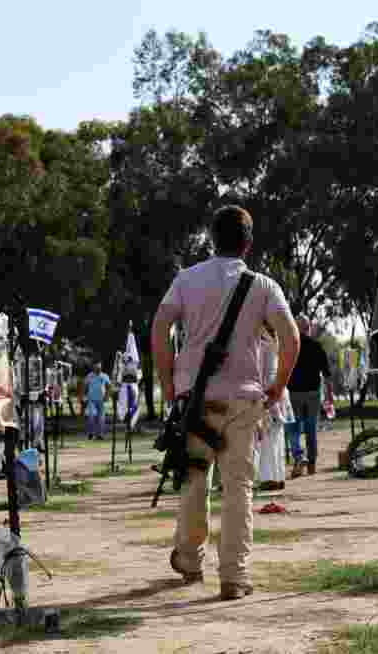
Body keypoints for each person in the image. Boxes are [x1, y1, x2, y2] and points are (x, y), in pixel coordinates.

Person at [151, 205, 299, 601]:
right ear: (248, 244)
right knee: (239, 487)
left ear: (211, 239)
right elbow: (291, 337)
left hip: (197, 399)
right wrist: (277, 385)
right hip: (245, 397)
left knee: (195, 478)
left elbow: (160, 325)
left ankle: (189, 557)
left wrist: (168, 383)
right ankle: (234, 575)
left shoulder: (186, 279)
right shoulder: (264, 286)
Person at [284, 316, 333, 478]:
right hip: (313, 393)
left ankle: (299, 457)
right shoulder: (316, 346)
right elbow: (326, 374)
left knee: (293, 428)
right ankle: (311, 464)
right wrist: (330, 396)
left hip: (294, 393)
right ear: (308, 328)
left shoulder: (289, 346)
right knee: (311, 428)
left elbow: (282, 371)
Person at [256, 328, 292, 491]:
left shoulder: (262, 344)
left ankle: (268, 477)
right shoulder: (276, 341)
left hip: (268, 391)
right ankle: (277, 476)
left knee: (266, 440)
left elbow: (261, 375)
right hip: (278, 391)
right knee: (276, 438)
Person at [83, 363, 110, 440]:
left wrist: (107, 396)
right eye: (96, 367)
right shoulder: (89, 376)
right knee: (91, 416)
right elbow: (85, 386)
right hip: (91, 399)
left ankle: (100, 435)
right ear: (93, 368)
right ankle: (91, 433)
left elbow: (108, 386)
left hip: (101, 400)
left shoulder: (104, 376)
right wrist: (84, 397)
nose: (98, 369)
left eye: (99, 367)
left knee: (101, 418)